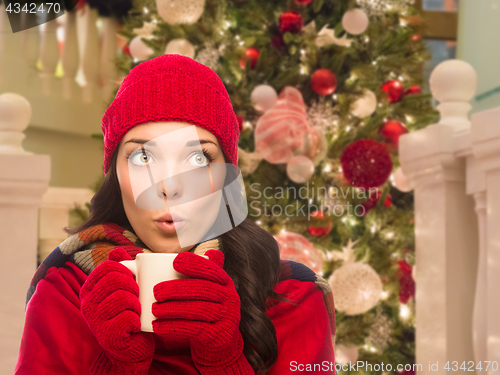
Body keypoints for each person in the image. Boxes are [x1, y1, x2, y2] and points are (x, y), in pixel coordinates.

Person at [14, 54, 336, 375]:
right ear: (116, 174)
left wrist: (224, 363)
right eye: (143, 156)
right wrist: (116, 366)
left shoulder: (293, 296)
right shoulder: (65, 289)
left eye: (198, 158)